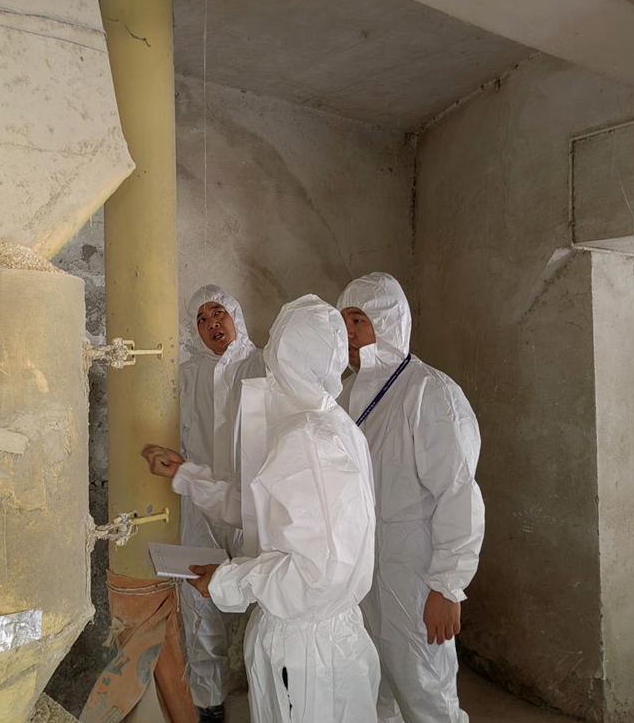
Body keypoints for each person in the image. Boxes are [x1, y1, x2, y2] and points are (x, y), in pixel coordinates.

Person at [145, 295, 381, 723]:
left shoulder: (307, 438)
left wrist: (229, 581)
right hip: (320, 640)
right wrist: (188, 475)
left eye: (277, 344)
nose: (269, 355)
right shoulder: (329, 424)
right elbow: (262, 509)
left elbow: (314, 574)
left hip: (304, 650)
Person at [336, 272, 485, 723]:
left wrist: (448, 586)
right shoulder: (345, 395)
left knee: (425, 690)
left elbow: (457, 492)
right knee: (372, 684)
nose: (348, 334)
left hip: (414, 572)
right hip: (363, 569)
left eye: (358, 320)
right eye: (342, 322)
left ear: (388, 321)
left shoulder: (428, 391)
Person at [173, 285, 265, 723]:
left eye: (218, 313)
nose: (212, 323)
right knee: (200, 605)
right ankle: (209, 706)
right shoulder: (187, 374)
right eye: (202, 318)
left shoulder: (262, 365)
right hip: (202, 506)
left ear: (235, 316)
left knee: (265, 600)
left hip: (256, 504)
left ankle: (268, 699)